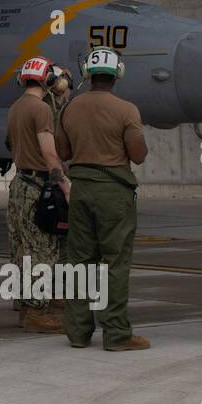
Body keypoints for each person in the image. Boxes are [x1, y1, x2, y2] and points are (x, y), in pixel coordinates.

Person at [55, 46, 149, 350]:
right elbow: (138, 155)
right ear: (117, 73)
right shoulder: (127, 110)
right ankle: (117, 334)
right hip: (114, 191)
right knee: (115, 263)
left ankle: (79, 333)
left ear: (88, 73)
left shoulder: (70, 108)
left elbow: (64, 152)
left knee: (80, 262)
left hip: (81, 191)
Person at [5, 55, 69, 333]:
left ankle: (24, 306)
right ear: (47, 80)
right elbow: (49, 153)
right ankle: (37, 312)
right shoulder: (41, 110)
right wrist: (65, 185)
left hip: (19, 184)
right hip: (37, 185)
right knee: (41, 251)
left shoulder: (16, 107)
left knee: (21, 249)